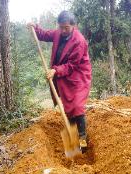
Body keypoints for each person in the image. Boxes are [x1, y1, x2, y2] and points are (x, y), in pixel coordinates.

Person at [28, 11, 92, 149]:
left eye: (66, 28)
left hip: (78, 75)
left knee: (77, 107)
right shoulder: (58, 33)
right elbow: (44, 35)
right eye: (61, 27)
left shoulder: (79, 41)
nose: (63, 30)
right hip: (64, 75)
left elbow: (72, 65)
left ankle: (82, 141)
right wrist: (35, 27)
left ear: (73, 26)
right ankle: (72, 142)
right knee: (69, 107)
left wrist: (56, 70)